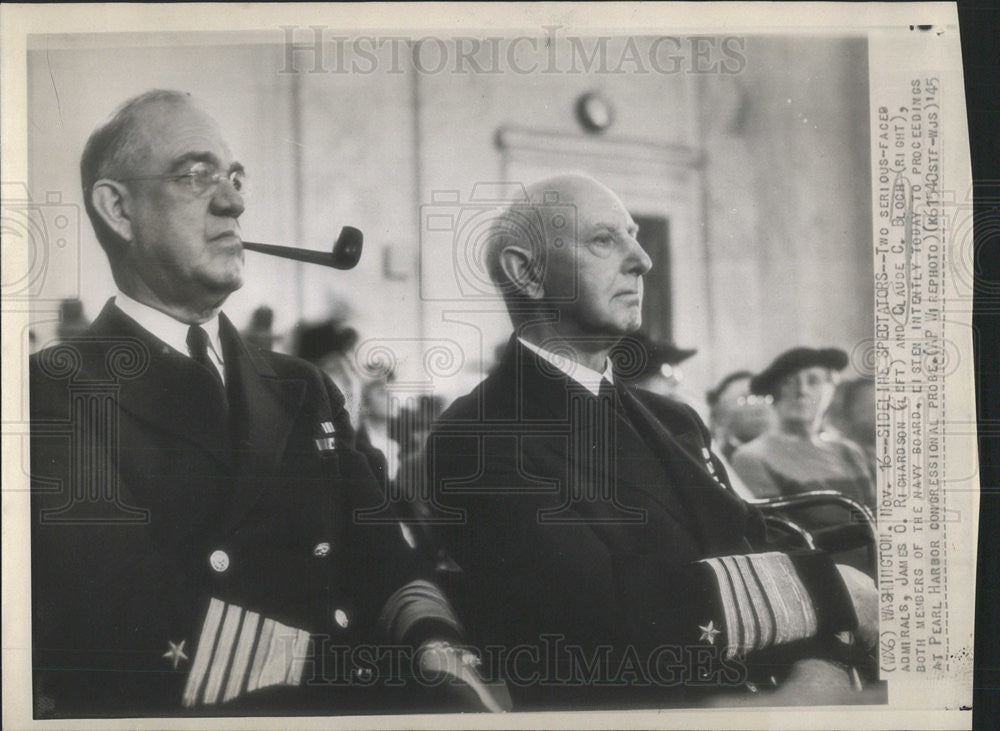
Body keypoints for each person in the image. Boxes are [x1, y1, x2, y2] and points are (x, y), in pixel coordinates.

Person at [29, 90, 506, 718]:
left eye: (234, 176)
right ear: (118, 208)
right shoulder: (52, 391)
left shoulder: (301, 386)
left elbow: (385, 553)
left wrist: (442, 658)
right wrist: (371, 682)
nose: (233, 200)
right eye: (196, 175)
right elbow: (126, 624)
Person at [425, 173, 878, 709]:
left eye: (635, 235)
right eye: (603, 240)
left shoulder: (673, 417)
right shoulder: (477, 437)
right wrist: (832, 593)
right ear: (526, 272)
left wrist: (821, 664)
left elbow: (759, 539)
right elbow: (599, 620)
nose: (642, 259)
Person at [730, 348, 876, 511]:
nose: (802, 391)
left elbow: (874, 516)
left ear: (830, 389)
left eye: (813, 381)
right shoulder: (752, 456)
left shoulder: (850, 452)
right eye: (789, 382)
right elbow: (777, 530)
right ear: (773, 391)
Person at [706, 370, 776, 462]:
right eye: (745, 399)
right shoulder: (717, 460)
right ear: (720, 414)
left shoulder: (780, 455)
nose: (759, 407)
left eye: (764, 397)